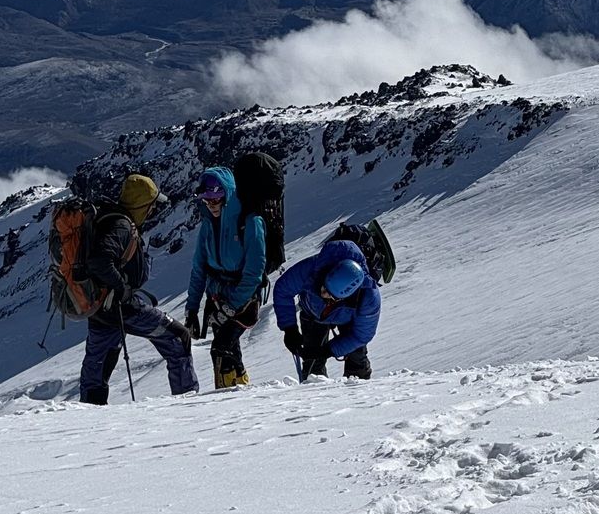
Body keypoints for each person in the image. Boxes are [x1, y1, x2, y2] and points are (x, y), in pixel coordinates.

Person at [79, 174, 199, 404]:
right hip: (122, 307)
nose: (153, 210)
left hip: (99, 307)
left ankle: (90, 413)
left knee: (98, 365)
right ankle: (188, 404)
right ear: (142, 205)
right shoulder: (121, 226)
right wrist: (122, 288)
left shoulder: (107, 218)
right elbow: (100, 260)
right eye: (151, 205)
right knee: (178, 337)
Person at [185, 168, 267, 388]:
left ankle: (226, 398)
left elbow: (254, 272)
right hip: (217, 297)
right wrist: (192, 309)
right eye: (206, 199)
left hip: (245, 297)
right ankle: (241, 392)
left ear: (227, 194)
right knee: (230, 351)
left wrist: (232, 306)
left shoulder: (250, 221)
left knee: (221, 349)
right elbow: (199, 268)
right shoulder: (208, 225)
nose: (211, 204)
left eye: (216, 198)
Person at [273, 240, 381, 380]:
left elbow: (361, 335)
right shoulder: (313, 268)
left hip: (349, 320)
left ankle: (359, 397)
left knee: (357, 363)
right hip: (312, 313)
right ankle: (314, 396)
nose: (324, 295)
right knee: (312, 366)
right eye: (323, 288)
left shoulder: (368, 296)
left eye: (331, 296)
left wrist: (329, 350)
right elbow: (283, 289)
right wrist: (290, 329)